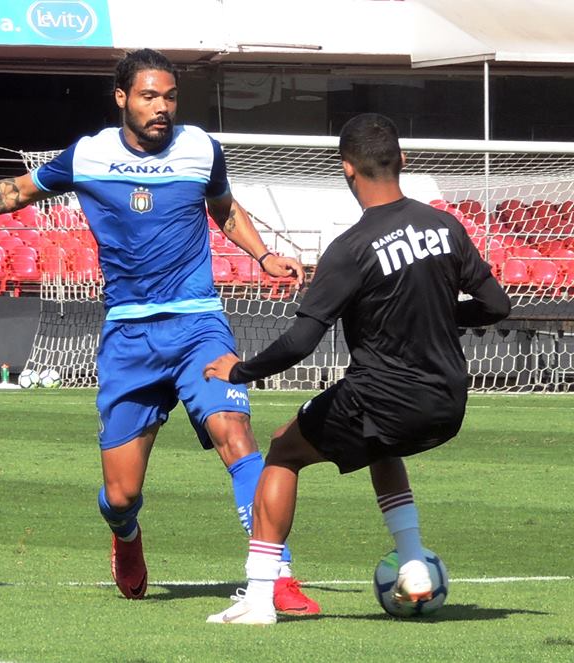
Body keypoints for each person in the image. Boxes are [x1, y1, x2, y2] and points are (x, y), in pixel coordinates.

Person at [0, 48, 319, 611]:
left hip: (198, 323)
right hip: (129, 338)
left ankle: (273, 573)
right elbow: (10, 194)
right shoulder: (89, 155)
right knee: (120, 494)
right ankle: (126, 536)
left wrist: (262, 255)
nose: (162, 108)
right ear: (122, 99)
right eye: (150, 96)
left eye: (170, 97)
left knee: (236, 433)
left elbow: (224, 207)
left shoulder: (201, 147)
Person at [203, 112, 512, 625]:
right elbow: (497, 306)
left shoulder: (350, 249)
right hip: (448, 405)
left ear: (347, 169)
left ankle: (258, 598)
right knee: (379, 443)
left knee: (282, 450)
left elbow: (303, 340)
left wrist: (241, 370)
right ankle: (412, 561)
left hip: (385, 397)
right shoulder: (446, 226)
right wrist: (439, 314)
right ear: (403, 161)